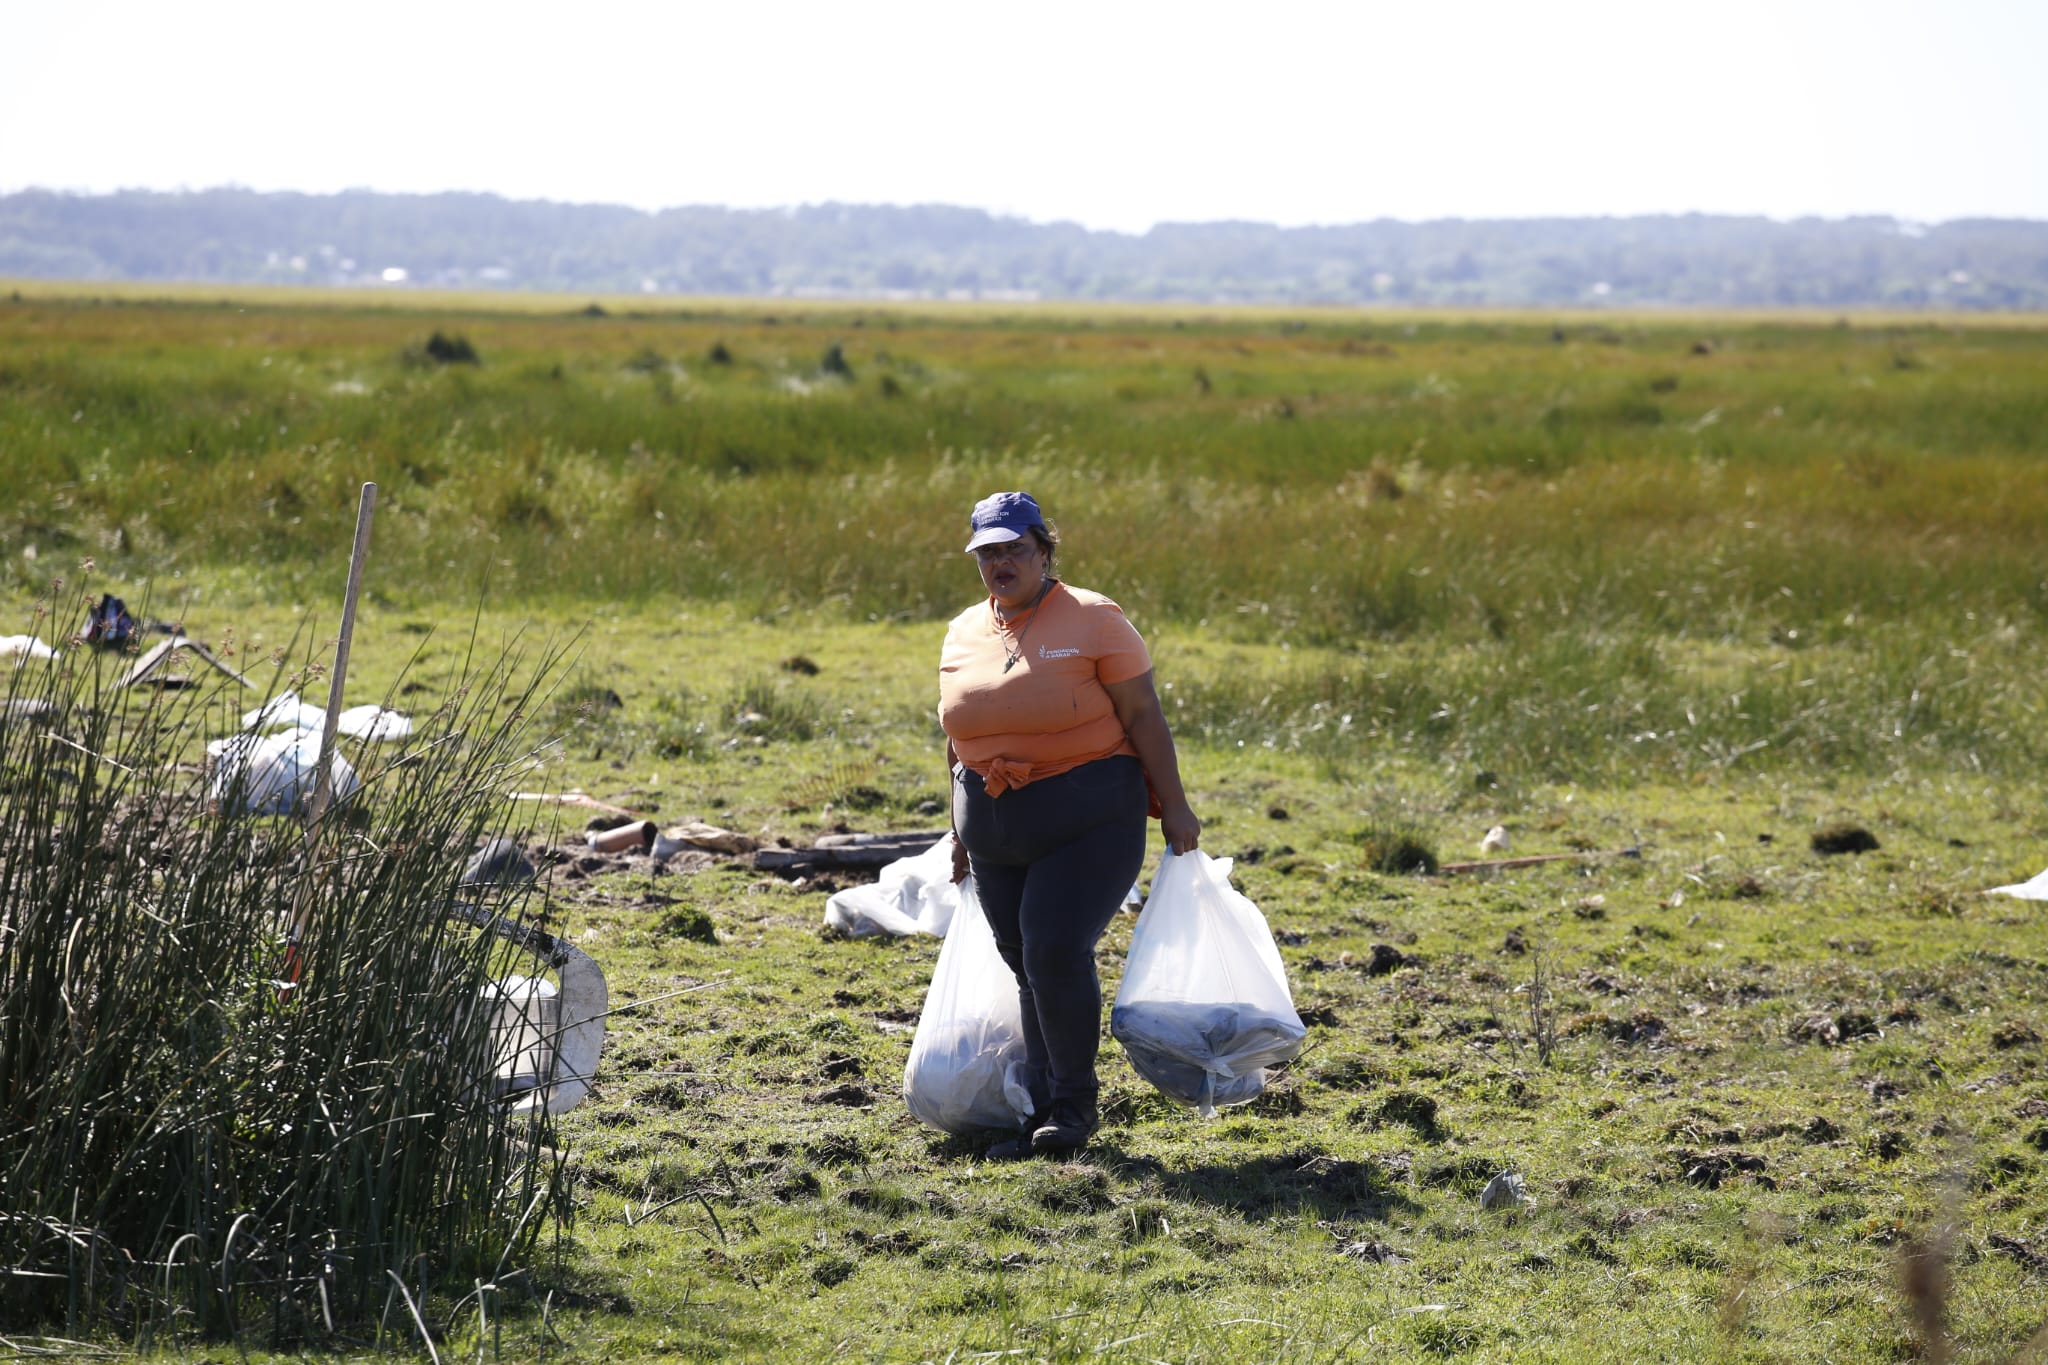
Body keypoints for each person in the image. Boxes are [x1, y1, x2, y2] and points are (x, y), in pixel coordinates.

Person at [937, 490, 1201, 1159]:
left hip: (1088, 817)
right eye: (987, 552)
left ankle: (1074, 1107)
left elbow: (1144, 716)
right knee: (1026, 960)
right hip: (994, 828)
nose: (1000, 563)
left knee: (1053, 947)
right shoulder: (965, 629)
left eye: (1014, 549)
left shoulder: (1095, 618)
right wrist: (958, 831)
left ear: (1044, 550)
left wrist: (1174, 806)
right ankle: (1042, 1104)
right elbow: (956, 735)